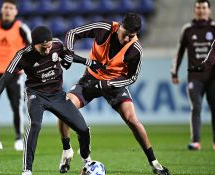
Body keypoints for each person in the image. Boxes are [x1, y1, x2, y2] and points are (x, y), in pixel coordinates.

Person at [57, 13, 170, 175]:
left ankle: (154, 163)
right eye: (125, 35)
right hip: (90, 80)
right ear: (119, 26)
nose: (126, 39)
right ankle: (67, 150)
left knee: (132, 120)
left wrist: (110, 83)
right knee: (64, 108)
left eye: (131, 36)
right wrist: (68, 52)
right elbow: (72, 33)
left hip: (114, 85)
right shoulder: (104, 29)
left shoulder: (135, 49)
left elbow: (132, 77)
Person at [0, 26, 103, 175]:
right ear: (34, 44)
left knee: (84, 130)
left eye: (49, 47)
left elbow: (69, 56)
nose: (47, 51)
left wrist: (89, 62)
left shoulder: (57, 45)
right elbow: (5, 78)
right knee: (35, 125)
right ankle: (27, 170)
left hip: (57, 95)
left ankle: (86, 158)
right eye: (43, 48)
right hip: (36, 95)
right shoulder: (22, 56)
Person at [0, 0, 31, 151]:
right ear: (1, 10)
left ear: (16, 12)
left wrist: (29, 69)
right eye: (5, 7)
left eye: (11, 8)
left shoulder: (21, 28)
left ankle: (18, 138)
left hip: (14, 74)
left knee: (17, 107)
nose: (7, 10)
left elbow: (32, 49)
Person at [171, 0, 215, 150]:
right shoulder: (188, 29)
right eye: (198, 7)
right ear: (194, 10)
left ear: (209, 10)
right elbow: (179, 52)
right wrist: (175, 71)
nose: (201, 10)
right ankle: (196, 141)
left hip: (214, 77)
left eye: (204, 8)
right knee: (196, 107)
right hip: (195, 77)